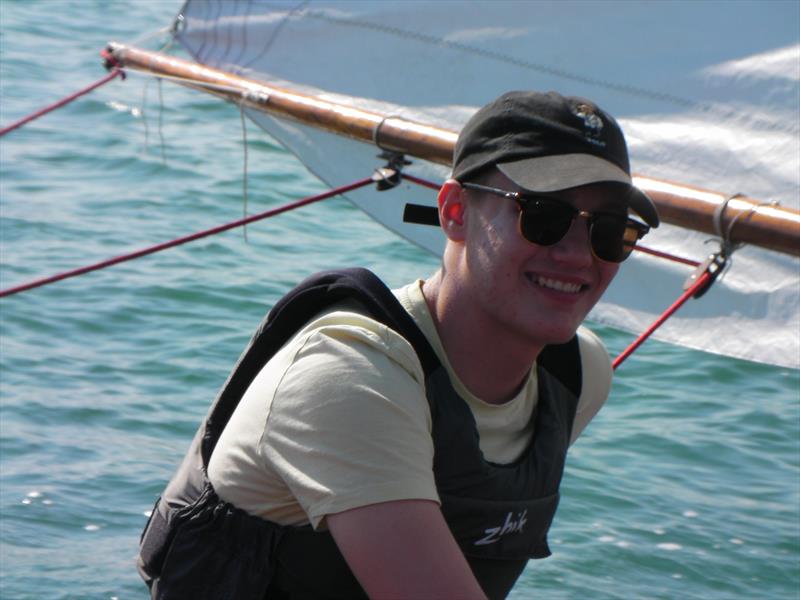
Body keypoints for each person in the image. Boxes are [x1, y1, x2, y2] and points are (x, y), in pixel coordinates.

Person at [137, 90, 659, 600]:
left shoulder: (576, 373)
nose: (576, 254)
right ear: (455, 212)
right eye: (543, 215)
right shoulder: (351, 376)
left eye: (610, 231)